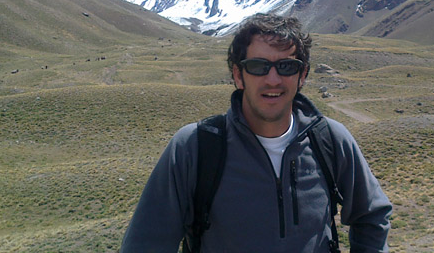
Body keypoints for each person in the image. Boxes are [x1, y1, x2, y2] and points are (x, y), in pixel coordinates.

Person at [120, 13, 392, 252]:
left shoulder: (330, 139)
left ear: (303, 75)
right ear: (238, 75)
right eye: (258, 66)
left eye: (287, 67)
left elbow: (372, 215)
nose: (273, 79)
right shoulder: (194, 147)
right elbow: (146, 243)